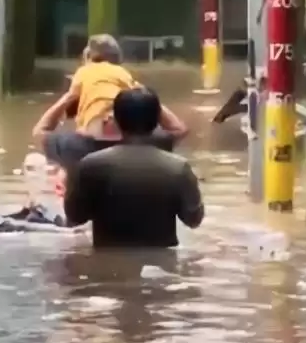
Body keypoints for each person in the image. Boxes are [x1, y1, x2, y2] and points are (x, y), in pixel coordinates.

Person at [31, 34, 187, 180]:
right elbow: (179, 129)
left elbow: (40, 131)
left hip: (89, 141)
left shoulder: (74, 146)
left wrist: (69, 96)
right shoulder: (149, 145)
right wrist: (142, 92)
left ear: (88, 57)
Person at [64, 87, 205, 248]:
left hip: (107, 259)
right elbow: (194, 220)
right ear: (157, 121)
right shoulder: (178, 168)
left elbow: (75, 217)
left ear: (117, 120)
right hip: (162, 262)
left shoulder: (90, 165)